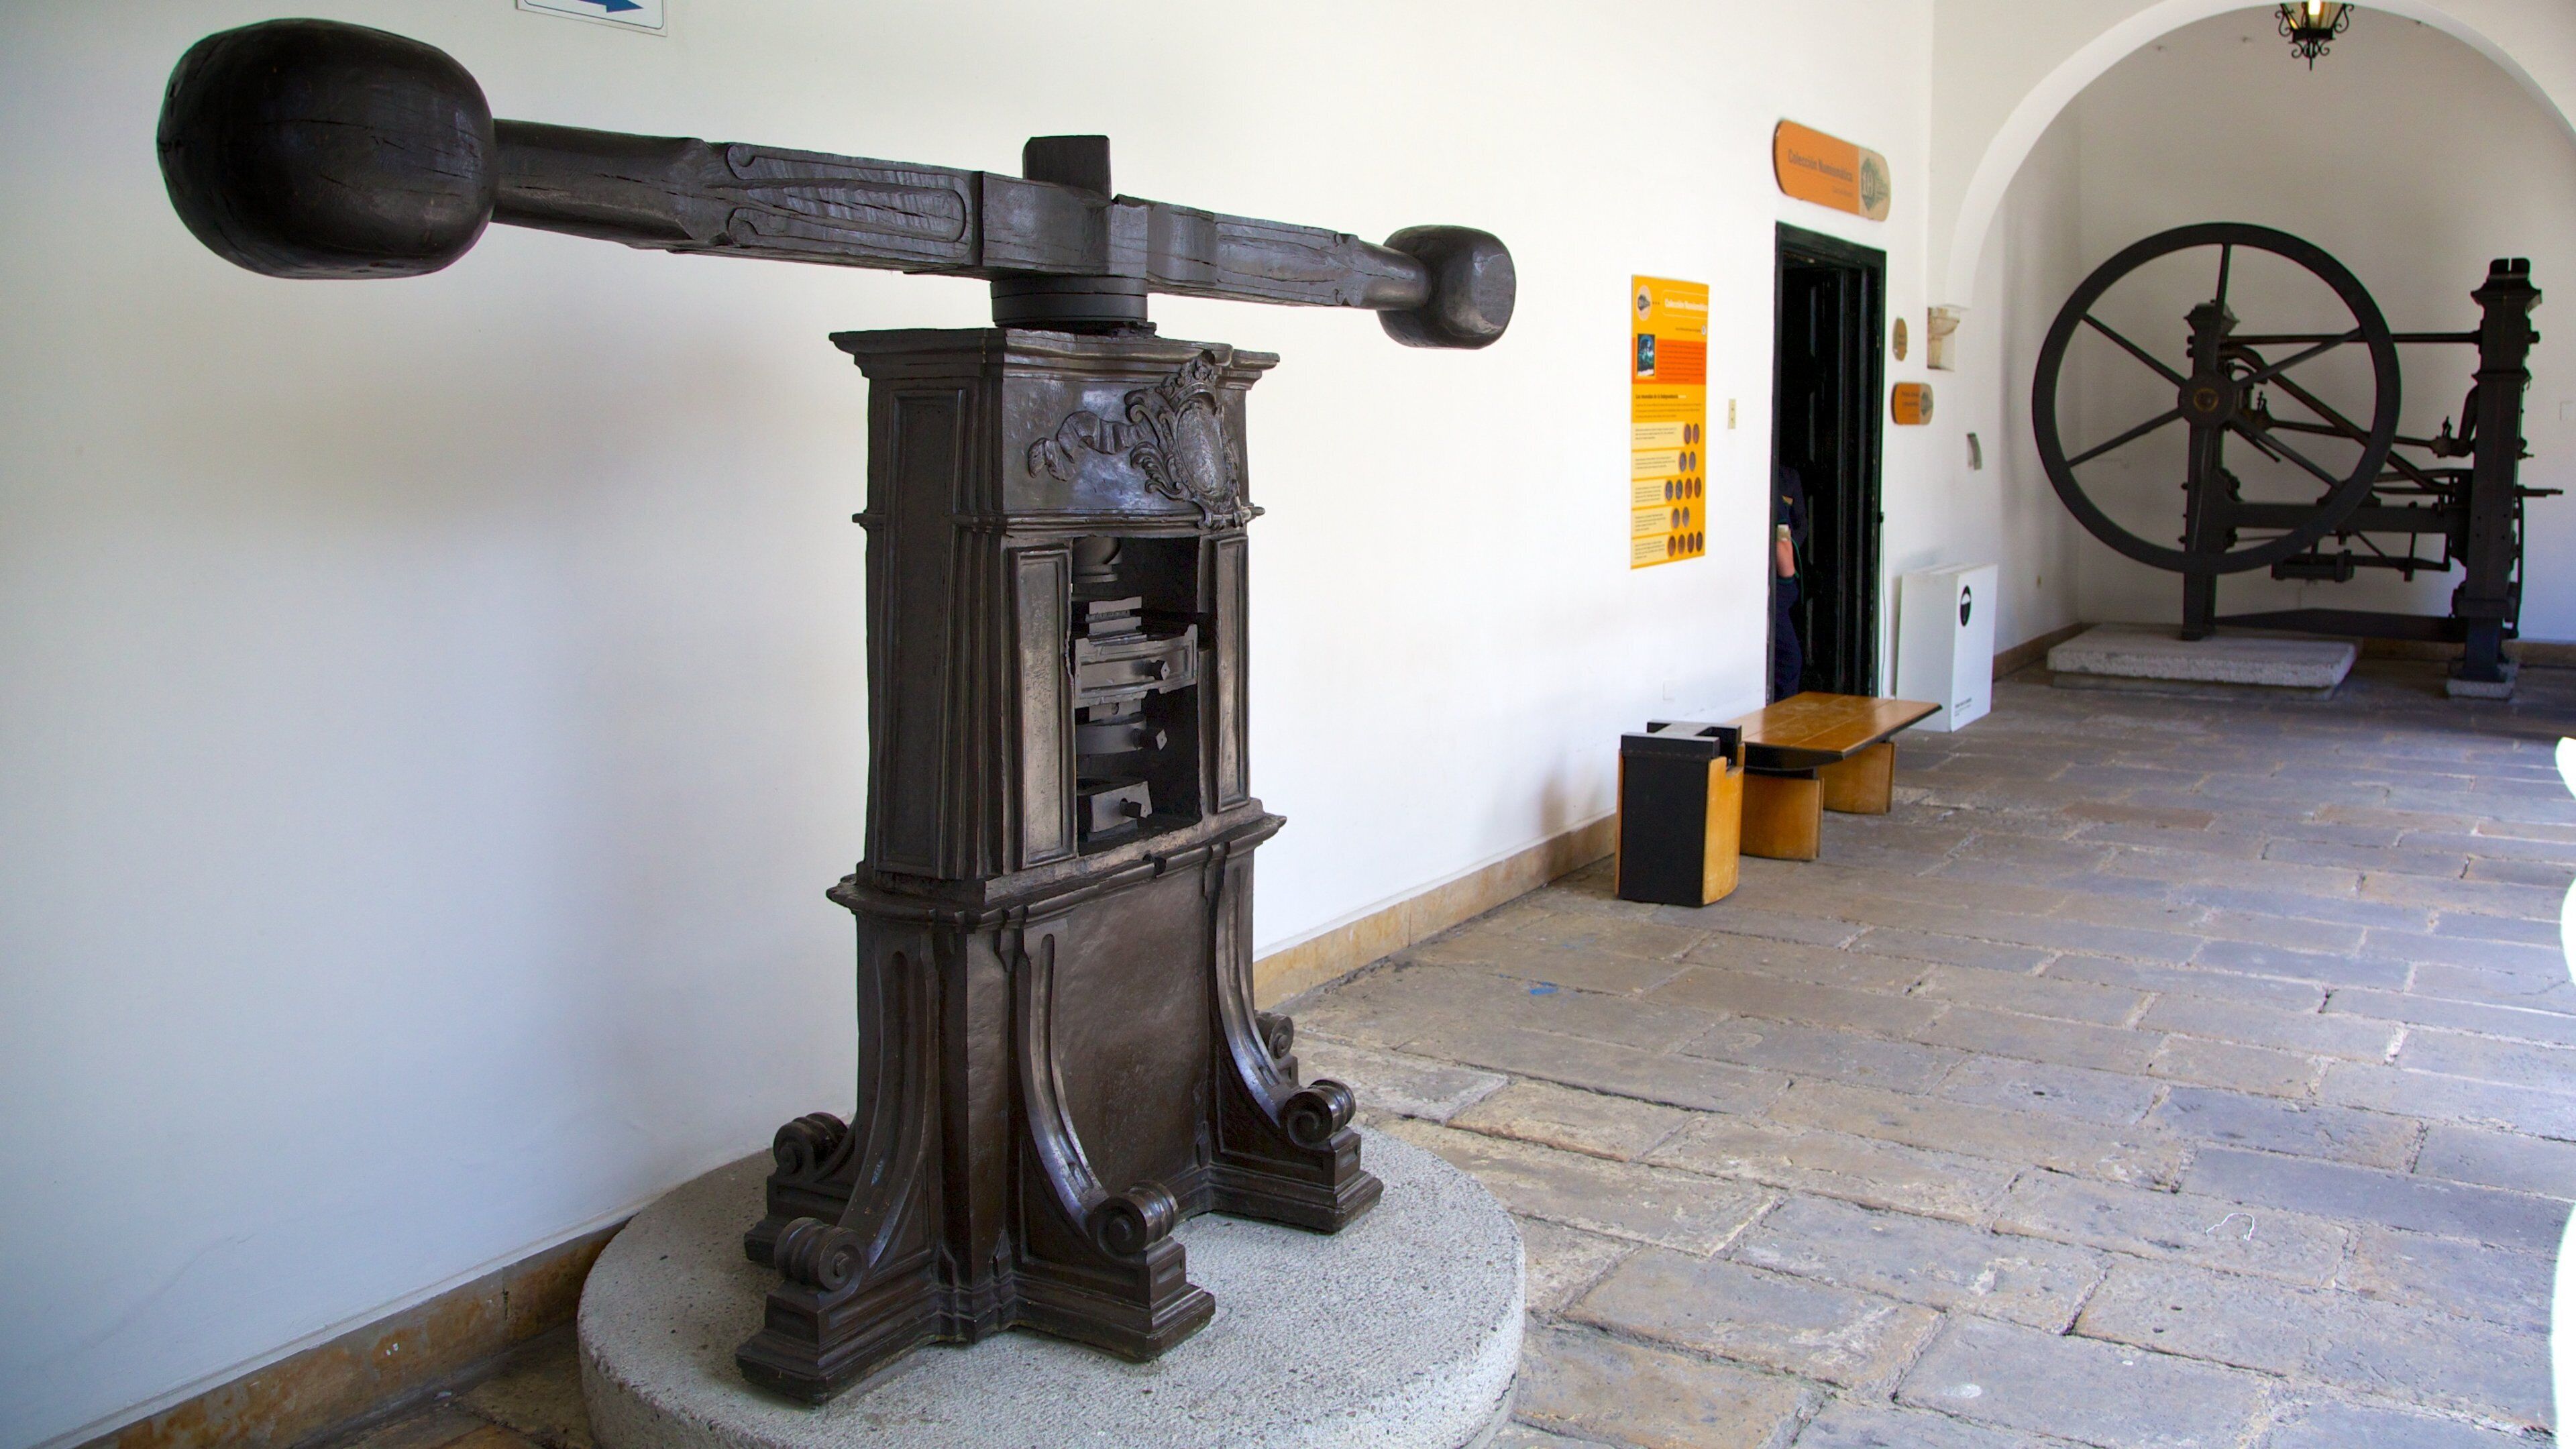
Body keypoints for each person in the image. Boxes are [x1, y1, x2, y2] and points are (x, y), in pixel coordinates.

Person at [1770, 462, 1809, 701]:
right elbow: (1782, 539)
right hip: (1775, 588)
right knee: (1789, 661)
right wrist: (1788, 579)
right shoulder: (1773, 493)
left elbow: (1799, 525)